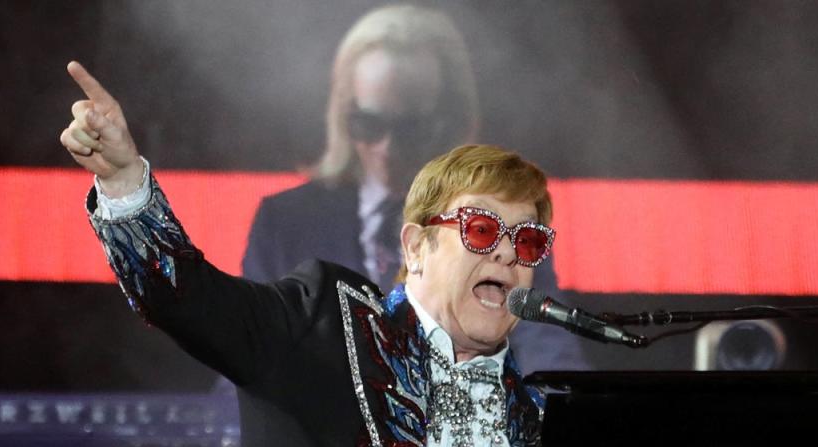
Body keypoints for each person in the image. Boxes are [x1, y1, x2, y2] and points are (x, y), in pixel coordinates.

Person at [61, 61, 550, 447]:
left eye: (526, 241)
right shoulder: (326, 316)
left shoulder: (537, 431)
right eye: (480, 232)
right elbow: (189, 301)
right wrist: (123, 182)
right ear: (417, 246)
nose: (505, 256)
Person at [242, 4, 591, 373]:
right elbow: (247, 362)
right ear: (344, 115)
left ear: (451, 119)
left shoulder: (502, 219)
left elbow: (546, 348)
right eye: (369, 124)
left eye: (411, 129)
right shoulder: (284, 223)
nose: (387, 149)